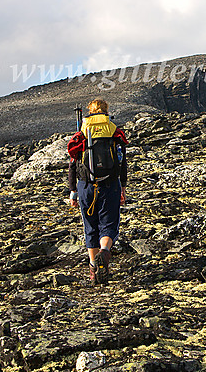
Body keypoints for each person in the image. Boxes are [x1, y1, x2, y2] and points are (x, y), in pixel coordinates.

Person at [67, 99, 128, 285]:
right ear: (106, 111)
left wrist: (72, 192)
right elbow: (121, 163)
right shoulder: (114, 132)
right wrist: (122, 187)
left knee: (90, 226)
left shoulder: (82, 133)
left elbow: (72, 165)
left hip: (86, 186)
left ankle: (94, 269)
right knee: (109, 223)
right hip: (110, 184)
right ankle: (105, 252)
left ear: (89, 111)